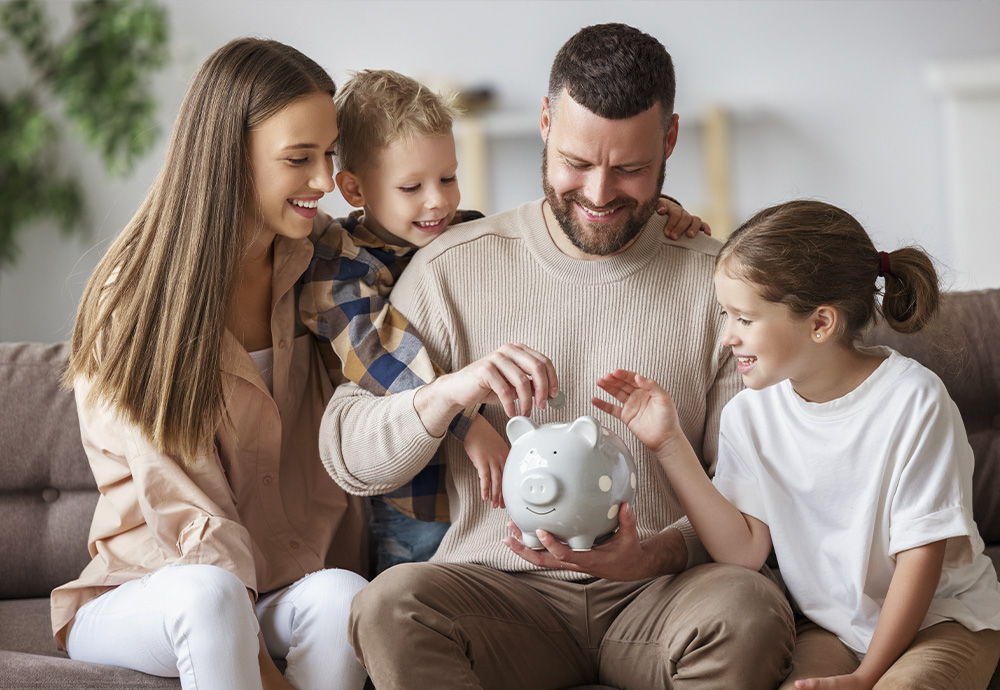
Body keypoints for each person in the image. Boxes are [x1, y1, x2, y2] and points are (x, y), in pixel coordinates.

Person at [320, 23, 795, 689]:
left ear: (670, 141)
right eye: (577, 163)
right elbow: (347, 454)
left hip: (662, 595)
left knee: (748, 610)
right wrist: (448, 395)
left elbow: (753, 495)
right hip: (500, 595)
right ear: (545, 123)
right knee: (389, 606)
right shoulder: (449, 267)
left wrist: (654, 553)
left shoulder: (718, 283)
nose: (599, 195)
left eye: (629, 169)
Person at [299, 68, 707, 574]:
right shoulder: (340, 271)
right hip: (413, 493)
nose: (439, 201)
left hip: (476, 496)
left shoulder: (461, 235)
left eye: (448, 178)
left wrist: (656, 211)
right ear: (354, 188)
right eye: (412, 187)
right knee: (413, 584)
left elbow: (567, 218)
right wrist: (470, 426)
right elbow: (383, 363)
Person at [54, 38, 368, 690]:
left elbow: (423, 246)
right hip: (150, 587)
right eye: (298, 159)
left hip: (280, 581)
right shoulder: (136, 297)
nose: (323, 180)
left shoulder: (321, 262)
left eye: (329, 154)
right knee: (209, 595)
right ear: (231, 155)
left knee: (342, 597)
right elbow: (186, 511)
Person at [594, 199, 1000, 689]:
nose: (726, 337)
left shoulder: (914, 401)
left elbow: (922, 559)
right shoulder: (749, 414)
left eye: (744, 319)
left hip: (943, 620)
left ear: (821, 324)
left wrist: (866, 677)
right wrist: (669, 444)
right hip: (836, 627)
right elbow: (744, 551)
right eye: (725, 315)